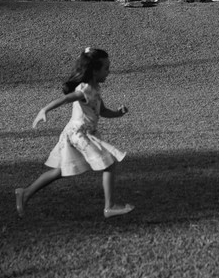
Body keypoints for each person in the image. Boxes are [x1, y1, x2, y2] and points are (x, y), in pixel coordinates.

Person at [15, 47, 134, 219]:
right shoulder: (84, 90)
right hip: (79, 134)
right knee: (109, 164)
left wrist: (118, 113)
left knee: (60, 170)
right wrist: (44, 110)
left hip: (80, 133)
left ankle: (25, 192)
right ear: (94, 70)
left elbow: (102, 111)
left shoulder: (95, 88)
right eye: (106, 68)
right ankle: (110, 207)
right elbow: (65, 98)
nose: (109, 71)